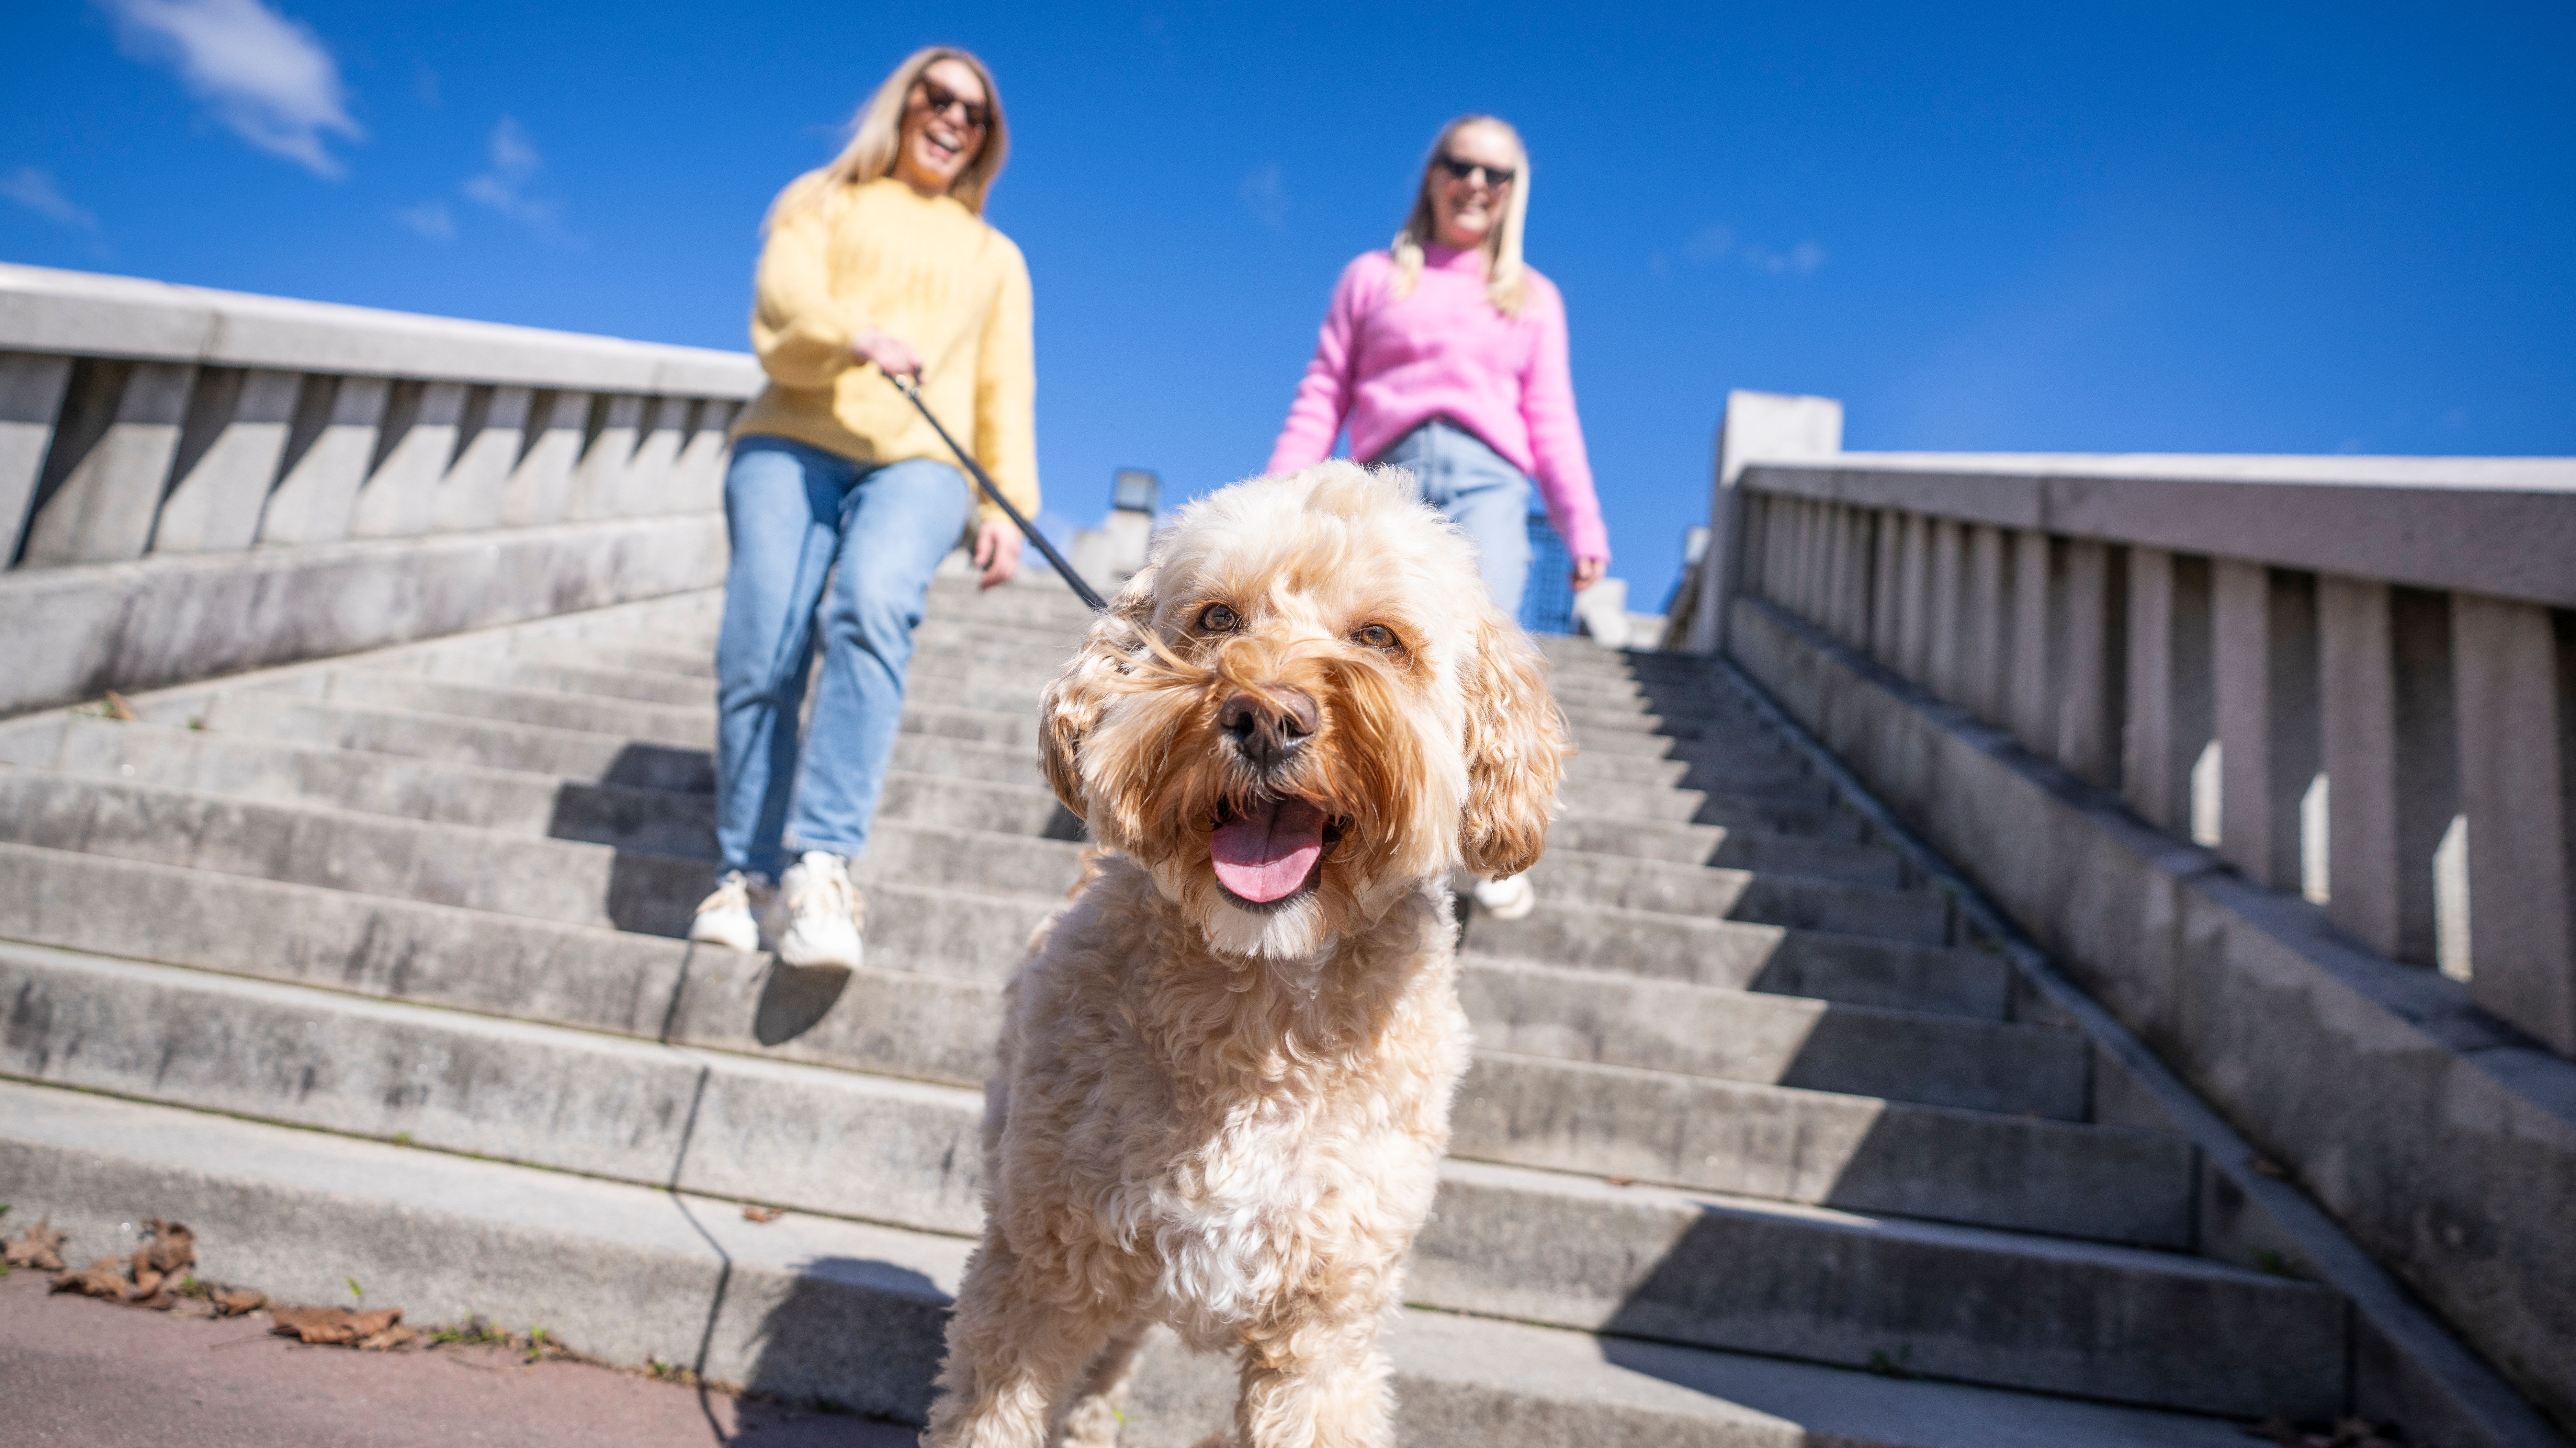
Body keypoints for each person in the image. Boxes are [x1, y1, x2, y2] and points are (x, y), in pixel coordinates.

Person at [688, 46, 1036, 969]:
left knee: (873, 603)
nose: (955, 118)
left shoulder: (995, 255)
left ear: (986, 140)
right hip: (791, 437)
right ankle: (745, 874)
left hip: (921, 459)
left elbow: (1005, 387)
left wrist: (1005, 504)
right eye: (939, 97)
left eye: (976, 113)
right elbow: (782, 305)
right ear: (904, 102)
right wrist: (852, 337)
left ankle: (822, 866)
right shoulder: (822, 198)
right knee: (761, 645)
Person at [1265, 113, 1608, 921]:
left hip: (1491, 481)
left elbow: (1552, 418)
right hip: (1390, 477)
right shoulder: (1372, 278)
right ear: (1433, 174)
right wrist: (1277, 496)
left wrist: (1583, 525)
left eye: (1499, 174)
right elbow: (1325, 391)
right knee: (1385, 654)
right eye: (1462, 165)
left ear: (1514, 193)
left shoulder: (1531, 297)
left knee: (1478, 647)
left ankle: (1485, 833)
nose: (1478, 184)